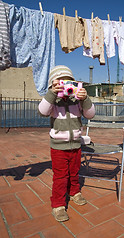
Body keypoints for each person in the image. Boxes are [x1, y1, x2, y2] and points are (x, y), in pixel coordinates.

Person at [38, 65, 95, 222]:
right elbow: (42, 111)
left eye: (68, 82)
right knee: (60, 176)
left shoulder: (76, 100)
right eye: (60, 83)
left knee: (74, 171)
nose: (65, 86)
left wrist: (85, 99)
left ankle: (75, 191)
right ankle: (58, 205)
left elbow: (91, 114)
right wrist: (51, 94)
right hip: (58, 147)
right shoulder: (52, 101)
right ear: (53, 85)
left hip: (76, 145)